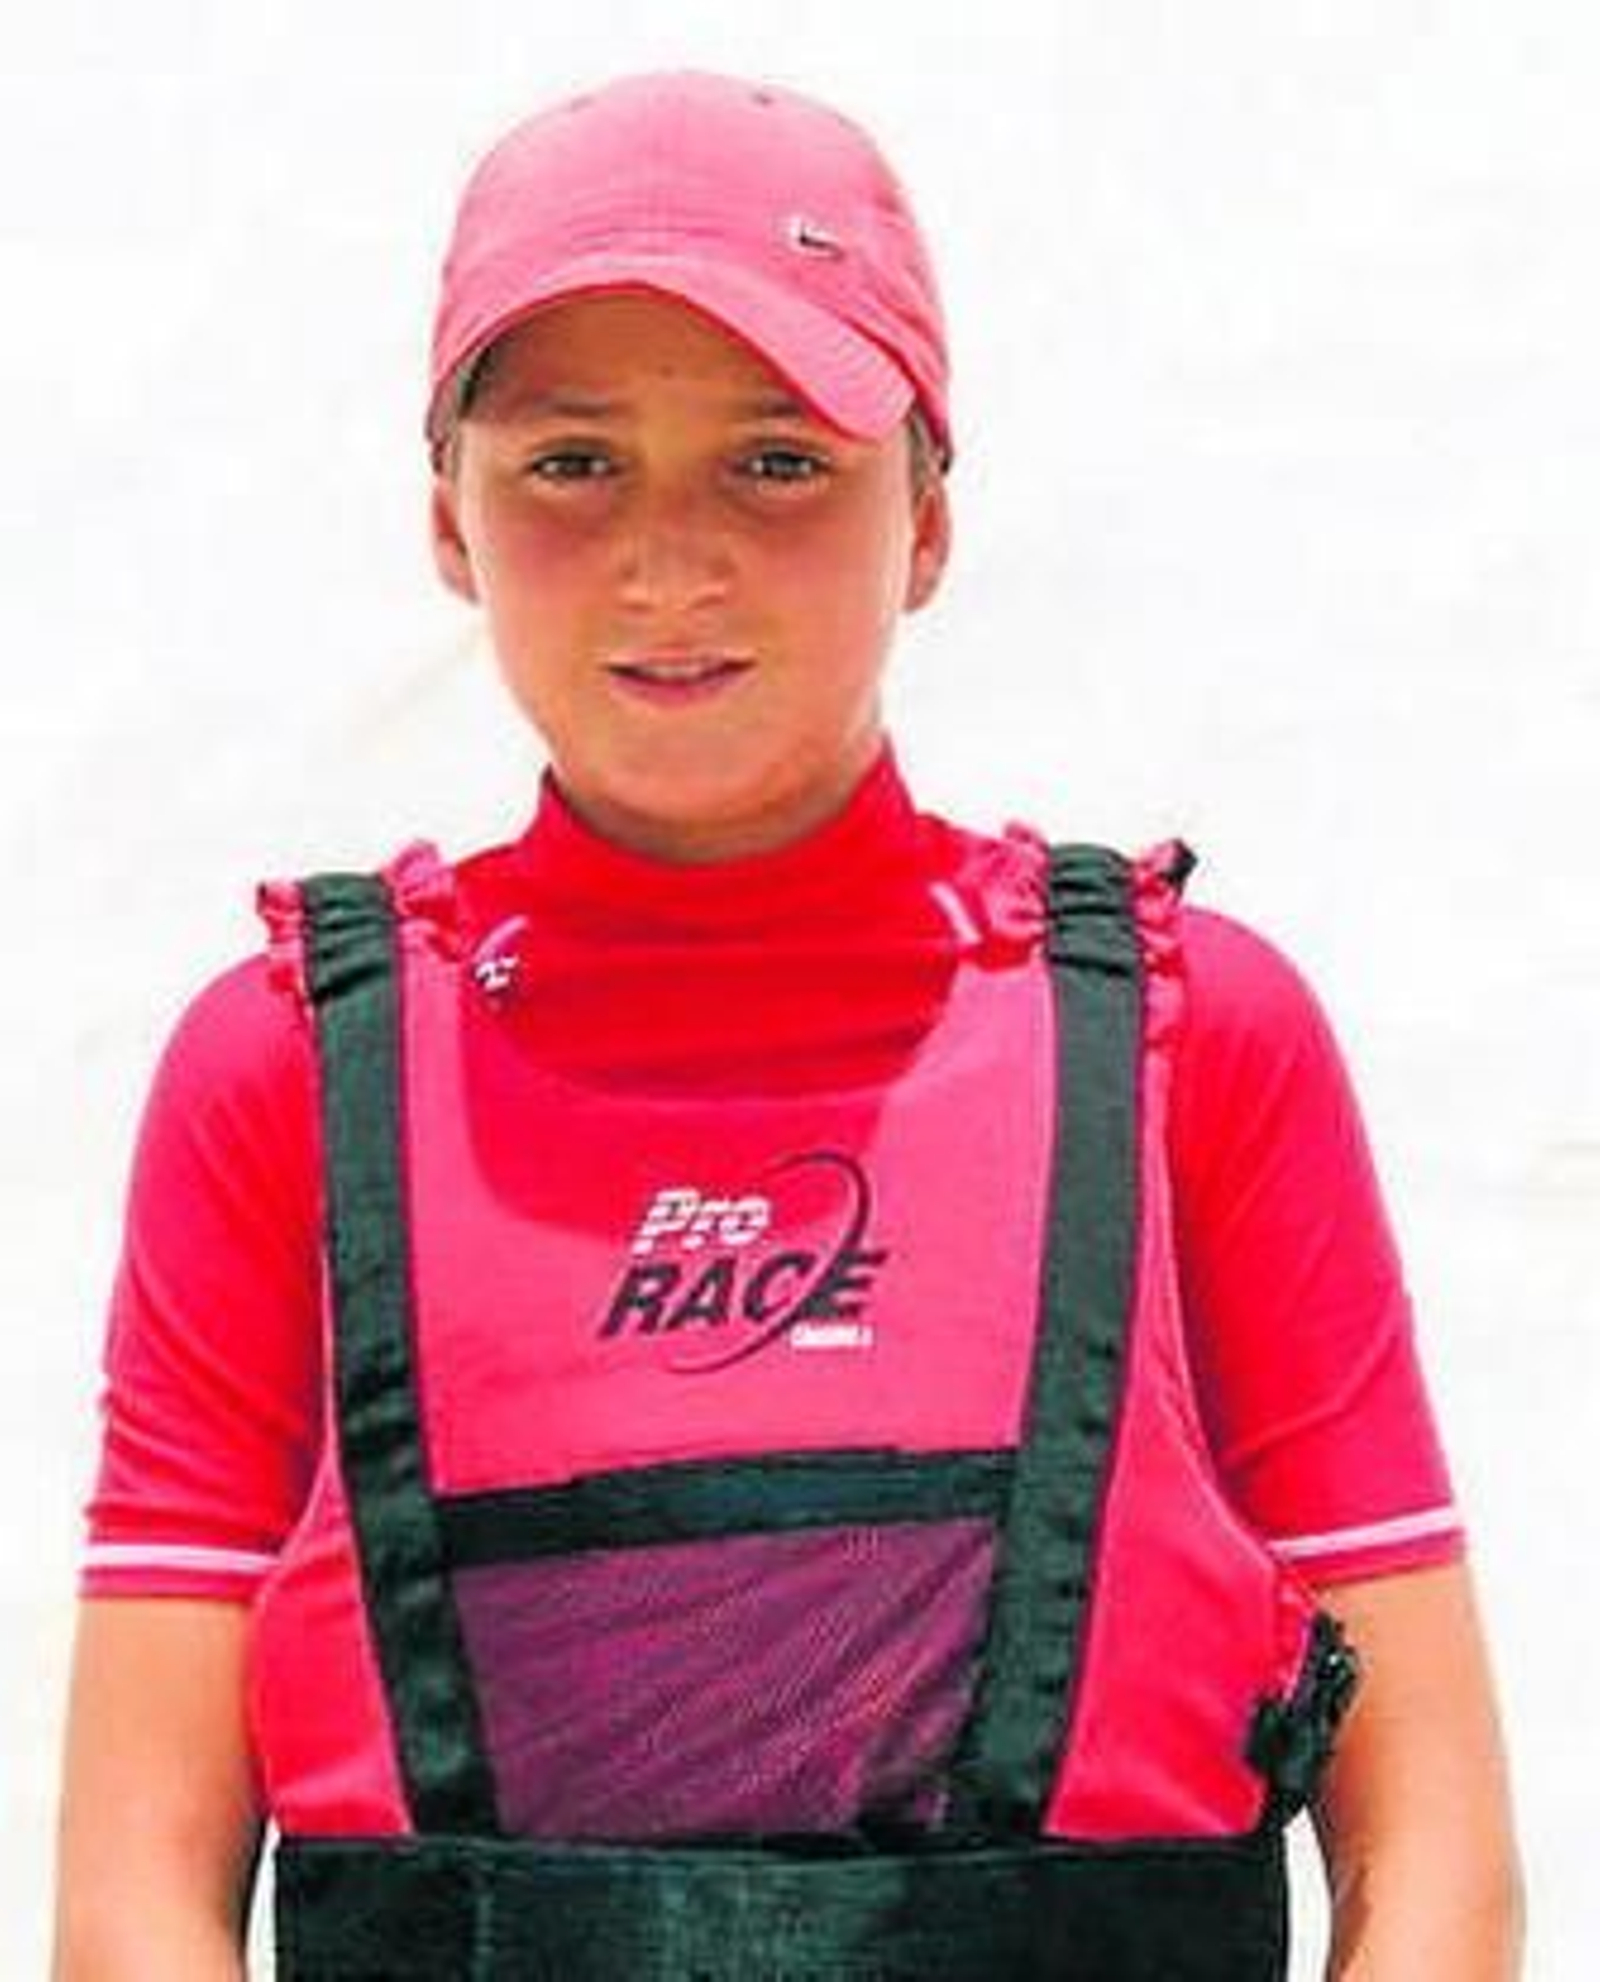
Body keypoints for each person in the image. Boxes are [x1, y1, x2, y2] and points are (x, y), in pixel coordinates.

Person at [52, 67, 1521, 1981]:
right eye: (572, 464)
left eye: (778, 462)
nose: (672, 559)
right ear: (447, 521)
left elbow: (1439, 1853)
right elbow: (132, 1901)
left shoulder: (1191, 1041)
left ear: (928, 520)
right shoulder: (286, 1074)